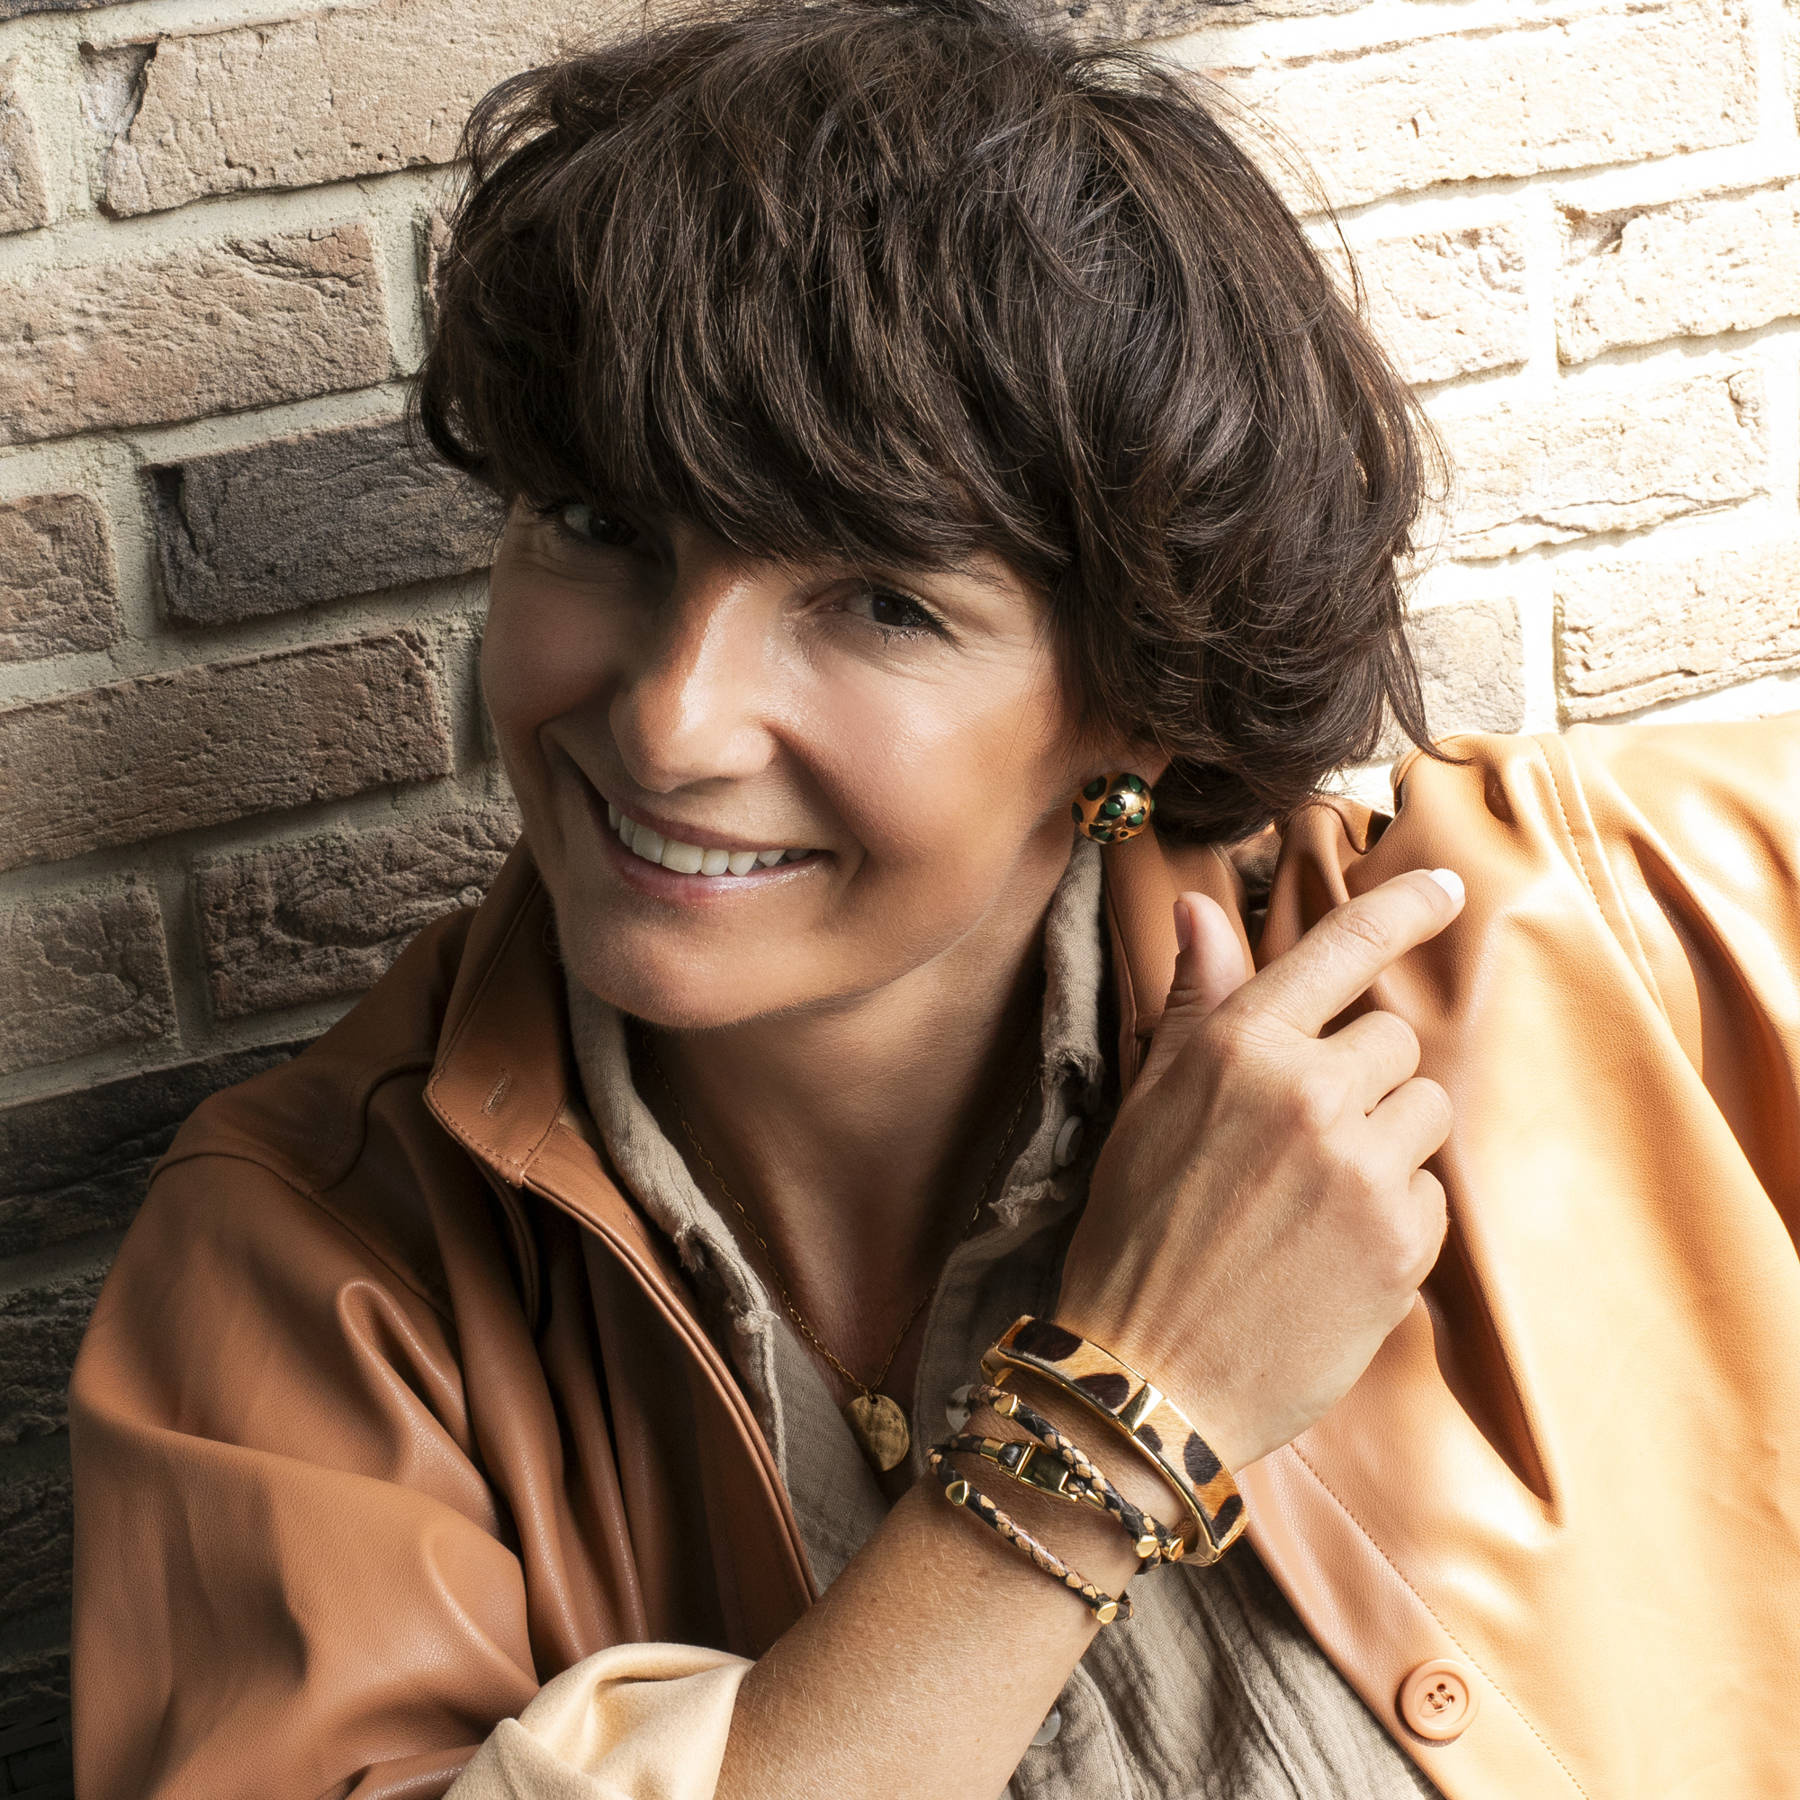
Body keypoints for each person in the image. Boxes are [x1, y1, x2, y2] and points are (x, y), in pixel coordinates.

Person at [67, 0, 1800, 1795]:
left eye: (883, 603)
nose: (669, 723)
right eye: (599, 525)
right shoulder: (309, 1281)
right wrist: (1120, 1415)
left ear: (1135, 690)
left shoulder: (1595, 941)